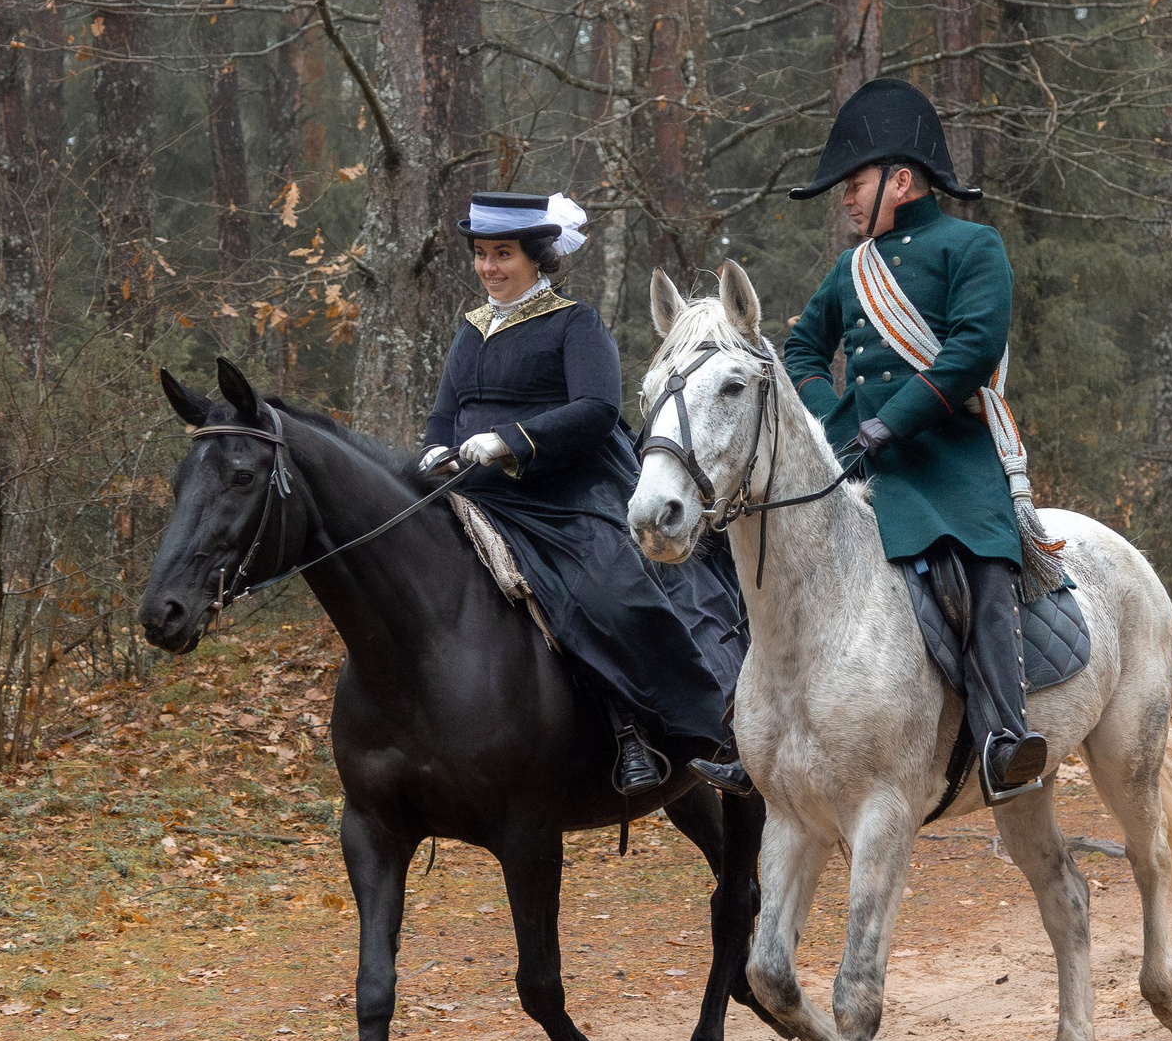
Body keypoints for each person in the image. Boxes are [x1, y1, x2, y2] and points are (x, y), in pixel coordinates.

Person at [768, 78, 1062, 800]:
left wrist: (890, 420)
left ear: (900, 181)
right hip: (862, 462)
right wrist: (835, 421)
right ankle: (747, 724)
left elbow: (971, 349)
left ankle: (1002, 735)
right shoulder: (850, 270)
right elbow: (800, 350)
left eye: (854, 182)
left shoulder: (972, 245)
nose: (844, 197)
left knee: (981, 568)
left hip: (951, 459)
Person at [421, 190, 744, 797]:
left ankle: (637, 730)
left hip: (567, 491)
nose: (490, 267)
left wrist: (511, 440)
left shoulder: (576, 322)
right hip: (473, 490)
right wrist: (435, 448)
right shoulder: (469, 331)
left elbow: (597, 410)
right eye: (482, 254)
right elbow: (445, 413)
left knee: (609, 595)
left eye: (503, 254)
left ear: (537, 257)